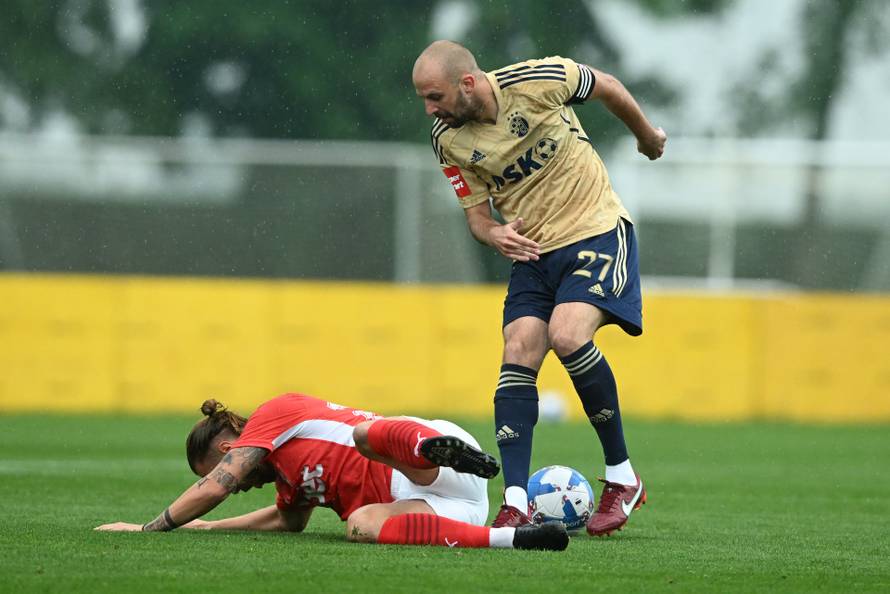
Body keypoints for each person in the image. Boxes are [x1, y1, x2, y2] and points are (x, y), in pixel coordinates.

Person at [412, 40, 666, 536]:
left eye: (435, 96)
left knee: (568, 335)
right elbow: (478, 219)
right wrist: (495, 234)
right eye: (424, 99)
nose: (429, 109)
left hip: (594, 229)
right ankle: (515, 501)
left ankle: (622, 477)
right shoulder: (446, 139)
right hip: (532, 252)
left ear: (468, 83)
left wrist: (646, 137)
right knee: (519, 348)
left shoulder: (538, 80)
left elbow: (608, 87)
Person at [95, 393, 569, 551]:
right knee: (360, 524)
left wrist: (151, 527)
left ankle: (432, 449)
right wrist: (207, 527)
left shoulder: (273, 415)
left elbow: (218, 485)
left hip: (417, 462)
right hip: (451, 507)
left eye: (217, 467)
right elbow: (288, 520)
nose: (233, 487)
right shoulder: (284, 478)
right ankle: (515, 539)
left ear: (227, 448)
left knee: (366, 438)